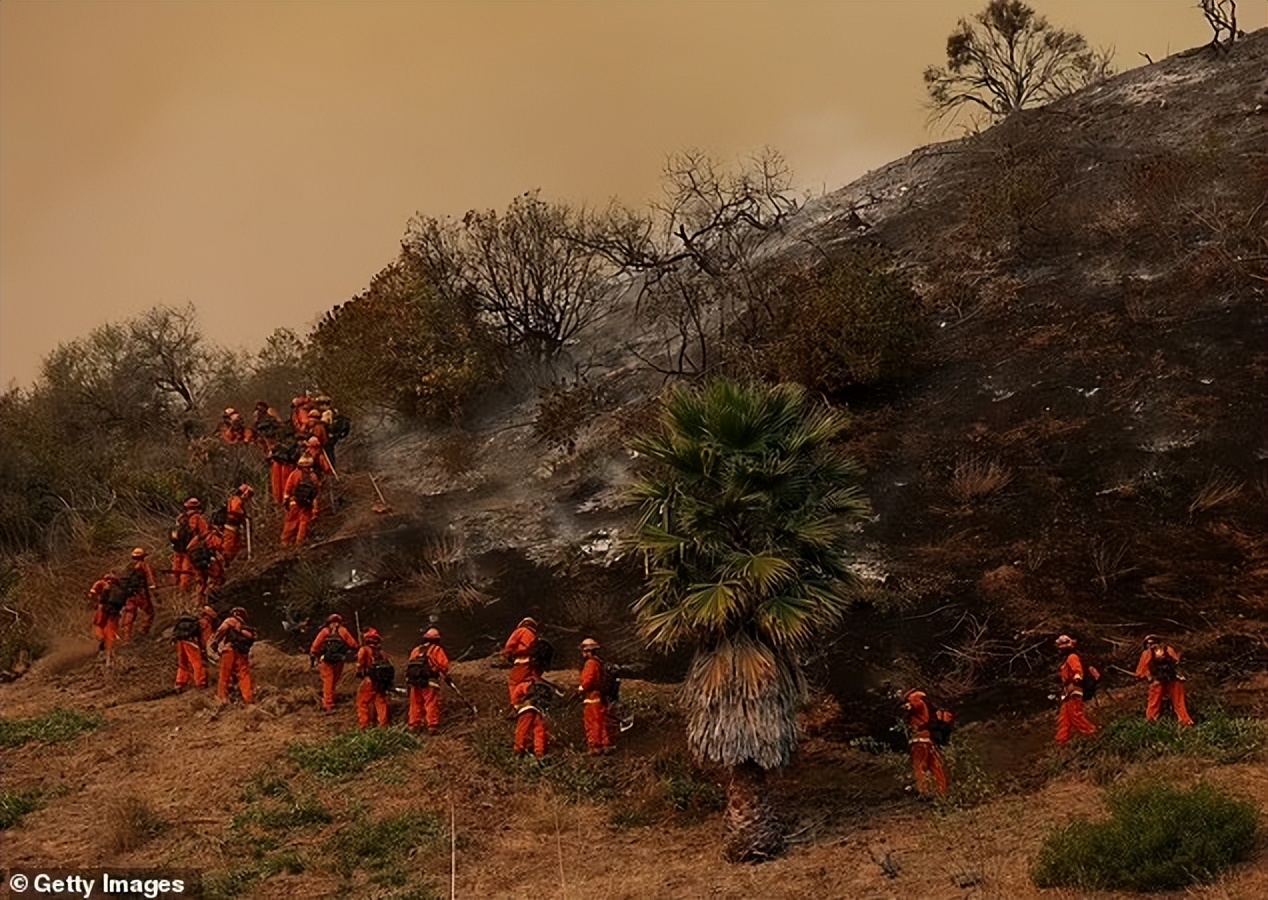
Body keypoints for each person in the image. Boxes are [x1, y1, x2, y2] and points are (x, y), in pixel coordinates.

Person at [1135, 634, 1194, 726]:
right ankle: (1152, 720)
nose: (1151, 646)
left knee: (1174, 701)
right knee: (1159, 701)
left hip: (1169, 679)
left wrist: (1148, 676)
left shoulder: (1162, 651)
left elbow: (1141, 671)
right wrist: (1149, 677)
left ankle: (1184, 721)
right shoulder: (1154, 652)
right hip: (1163, 679)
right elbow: (1141, 670)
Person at [309, 614, 359, 713]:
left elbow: (315, 646)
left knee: (328, 681)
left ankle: (328, 704)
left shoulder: (325, 631)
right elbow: (353, 644)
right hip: (339, 660)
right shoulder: (343, 631)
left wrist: (313, 654)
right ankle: (330, 699)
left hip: (326, 661)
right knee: (333, 681)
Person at [903, 689, 949, 797]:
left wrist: (905, 706)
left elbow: (910, 706)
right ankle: (942, 791)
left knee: (919, 765)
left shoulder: (916, 701)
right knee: (935, 766)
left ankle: (923, 791)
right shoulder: (925, 704)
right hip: (928, 739)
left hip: (919, 740)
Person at [407, 627, 452, 734]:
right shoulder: (437, 650)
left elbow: (410, 665)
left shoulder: (416, 650)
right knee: (431, 703)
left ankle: (414, 725)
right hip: (429, 681)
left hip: (414, 681)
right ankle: (432, 726)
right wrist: (445, 675)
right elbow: (444, 666)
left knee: (415, 703)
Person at [1055, 634, 1098, 744]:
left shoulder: (1072, 657)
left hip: (1074, 689)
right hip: (1067, 691)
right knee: (1064, 718)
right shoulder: (1066, 659)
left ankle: (1092, 733)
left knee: (1075, 715)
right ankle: (1061, 741)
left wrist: (1077, 677)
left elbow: (1078, 670)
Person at [212, 606, 257, 705]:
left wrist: (215, 642)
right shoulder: (246, 628)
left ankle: (222, 699)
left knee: (224, 675)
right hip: (242, 653)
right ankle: (248, 698)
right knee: (244, 675)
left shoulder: (231, 621)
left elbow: (221, 630)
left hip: (229, 650)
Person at [576, 637, 613, 755]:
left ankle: (595, 747)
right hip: (598, 697)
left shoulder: (590, 663)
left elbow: (589, 679)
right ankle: (605, 744)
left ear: (588, 651)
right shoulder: (598, 662)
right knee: (600, 721)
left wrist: (581, 688)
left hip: (591, 697)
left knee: (592, 722)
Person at [354, 628, 393, 729]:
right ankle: (383, 725)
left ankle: (364, 725)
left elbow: (359, 665)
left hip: (369, 680)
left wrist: (359, 672)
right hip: (380, 682)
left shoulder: (364, 650)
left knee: (362, 702)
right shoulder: (382, 653)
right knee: (380, 702)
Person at [171, 498, 210, 594]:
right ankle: (183, 593)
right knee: (186, 572)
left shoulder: (180, 518)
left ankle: (174, 590)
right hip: (189, 550)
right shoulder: (197, 518)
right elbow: (205, 533)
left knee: (176, 570)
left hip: (177, 549)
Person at [281, 456, 323, 547]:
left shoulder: (294, 474)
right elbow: (316, 494)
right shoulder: (313, 476)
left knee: (291, 521)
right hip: (307, 504)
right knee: (304, 523)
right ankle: (300, 542)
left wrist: (285, 501)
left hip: (294, 502)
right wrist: (315, 510)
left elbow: (288, 489)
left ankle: (286, 542)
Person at [119, 547, 158, 640]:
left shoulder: (127, 567)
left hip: (129, 594)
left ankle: (126, 636)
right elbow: (150, 577)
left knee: (129, 614)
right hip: (141, 594)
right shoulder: (143, 565)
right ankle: (143, 631)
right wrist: (153, 587)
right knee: (150, 613)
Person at [172, 606, 213, 692]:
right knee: (198, 662)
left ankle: (179, 684)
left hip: (180, 640)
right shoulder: (206, 623)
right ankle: (201, 684)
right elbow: (204, 638)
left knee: (183, 662)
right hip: (191, 641)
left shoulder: (193, 620)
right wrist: (203, 650)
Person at [87, 574, 125, 666]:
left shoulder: (102, 583)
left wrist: (91, 596)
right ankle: (110, 653)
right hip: (114, 612)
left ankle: (101, 639)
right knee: (110, 631)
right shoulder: (120, 590)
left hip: (102, 609)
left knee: (98, 625)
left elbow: (92, 593)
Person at [502, 616, 541, 703]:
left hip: (521, 663)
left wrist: (507, 655)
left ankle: (516, 704)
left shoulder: (521, 631)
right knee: (529, 680)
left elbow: (509, 645)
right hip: (532, 665)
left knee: (514, 683)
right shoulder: (534, 637)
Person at [511, 675, 549, 760]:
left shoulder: (526, 685)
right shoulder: (541, 686)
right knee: (539, 730)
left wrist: (516, 704)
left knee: (522, 730)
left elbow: (517, 692)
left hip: (526, 709)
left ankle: (518, 750)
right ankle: (540, 752)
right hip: (538, 710)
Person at [222, 484, 254, 564]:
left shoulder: (238, 500)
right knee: (229, 547)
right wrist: (243, 514)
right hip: (230, 528)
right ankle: (224, 563)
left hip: (235, 528)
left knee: (237, 545)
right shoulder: (236, 500)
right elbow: (235, 509)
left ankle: (232, 562)